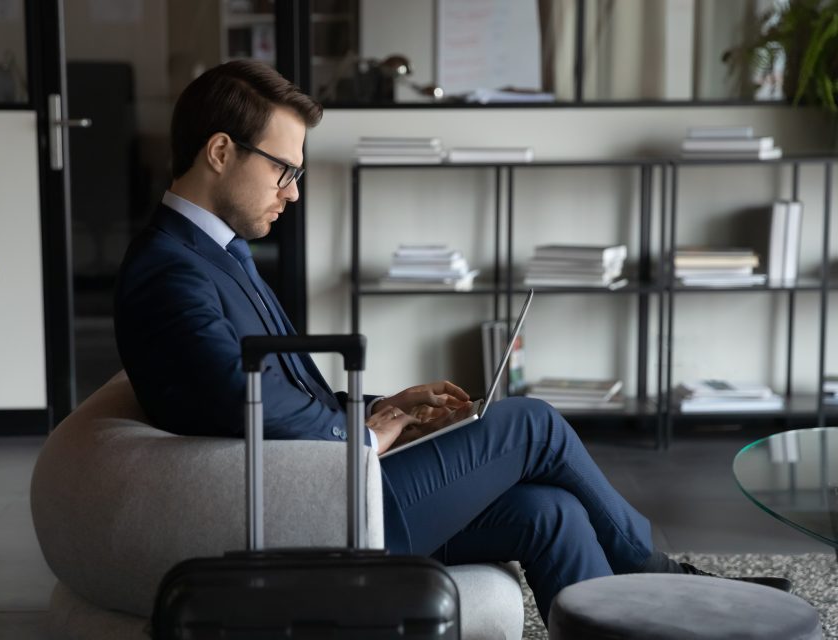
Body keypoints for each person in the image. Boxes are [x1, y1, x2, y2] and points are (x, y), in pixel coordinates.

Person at [113, 60, 789, 625]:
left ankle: (636, 621)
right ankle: (666, 578)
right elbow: (238, 399)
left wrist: (391, 409)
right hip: (316, 513)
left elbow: (280, 389)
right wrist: (365, 438)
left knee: (548, 512)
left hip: (331, 483)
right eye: (283, 169)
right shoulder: (167, 273)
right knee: (533, 424)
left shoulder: (216, 255)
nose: (292, 192)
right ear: (220, 151)